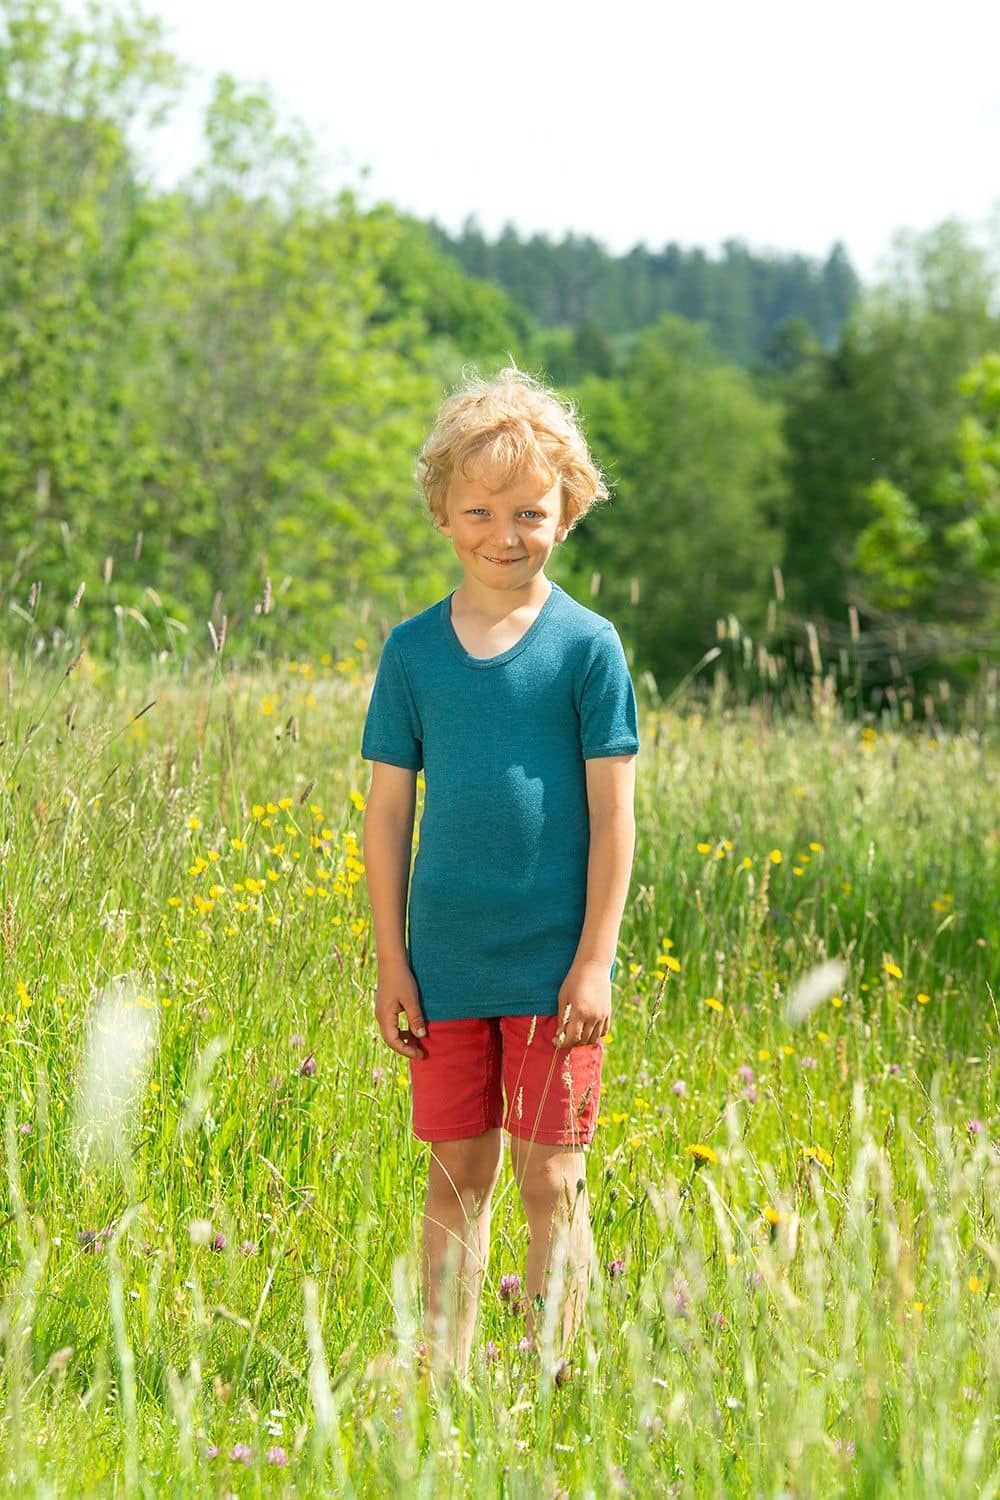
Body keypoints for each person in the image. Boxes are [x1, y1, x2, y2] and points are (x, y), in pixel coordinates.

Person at [360, 365, 640, 1383]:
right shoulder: (411, 655)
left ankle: (549, 1376)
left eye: (529, 511)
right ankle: (441, 1377)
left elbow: (615, 818)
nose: (503, 533)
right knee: (454, 1177)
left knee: (552, 1178)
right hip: (443, 967)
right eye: (478, 510)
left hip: (553, 970)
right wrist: (393, 961)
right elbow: (387, 815)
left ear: (567, 510)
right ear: (442, 512)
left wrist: (595, 963)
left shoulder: (587, 650)